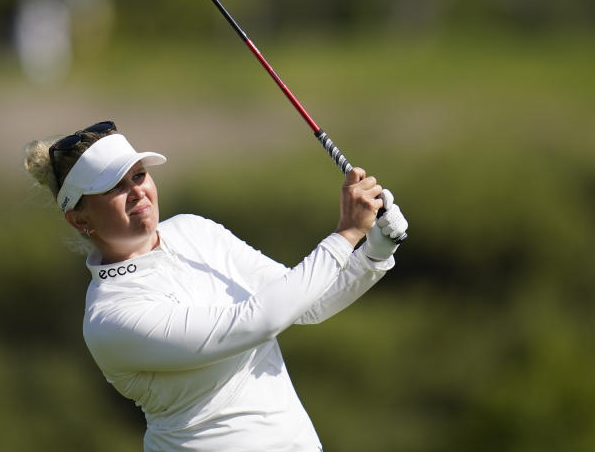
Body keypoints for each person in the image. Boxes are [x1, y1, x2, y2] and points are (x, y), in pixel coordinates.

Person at [23, 120, 408, 451]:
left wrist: (375, 248)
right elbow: (255, 322)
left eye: (139, 175)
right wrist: (346, 234)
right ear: (79, 219)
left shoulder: (194, 230)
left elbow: (306, 302)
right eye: (114, 188)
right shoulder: (111, 318)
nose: (138, 191)